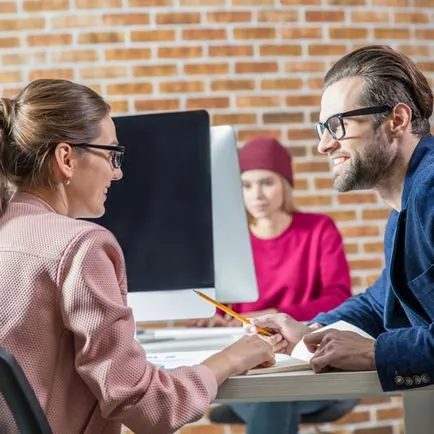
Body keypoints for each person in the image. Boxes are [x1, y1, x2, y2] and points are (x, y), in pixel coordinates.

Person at [0, 79, 286, 434]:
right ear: (66, 158)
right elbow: (146, 406)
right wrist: (232, 357)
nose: (117, 172)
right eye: (111, 154)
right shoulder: (81, 247)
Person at [249, 44, 434, 397]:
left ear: (397, 120)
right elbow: (381, 301)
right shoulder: (405, 209)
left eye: (337, 125)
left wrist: (373, 352)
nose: (323, 145)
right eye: (322, 127)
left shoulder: (431, 192)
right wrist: (308, 328)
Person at [194, 137, 353, 433]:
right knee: (275, 398)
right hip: (250, 365)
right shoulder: (229, 241)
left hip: (307, 360)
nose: (257, 195)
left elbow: (339, 298)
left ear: (285, 184)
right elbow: (223, 309)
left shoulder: (319, 230)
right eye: (246, 185)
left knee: (273, 399)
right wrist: (214, 319)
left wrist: (278, 312)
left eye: (267, 182)